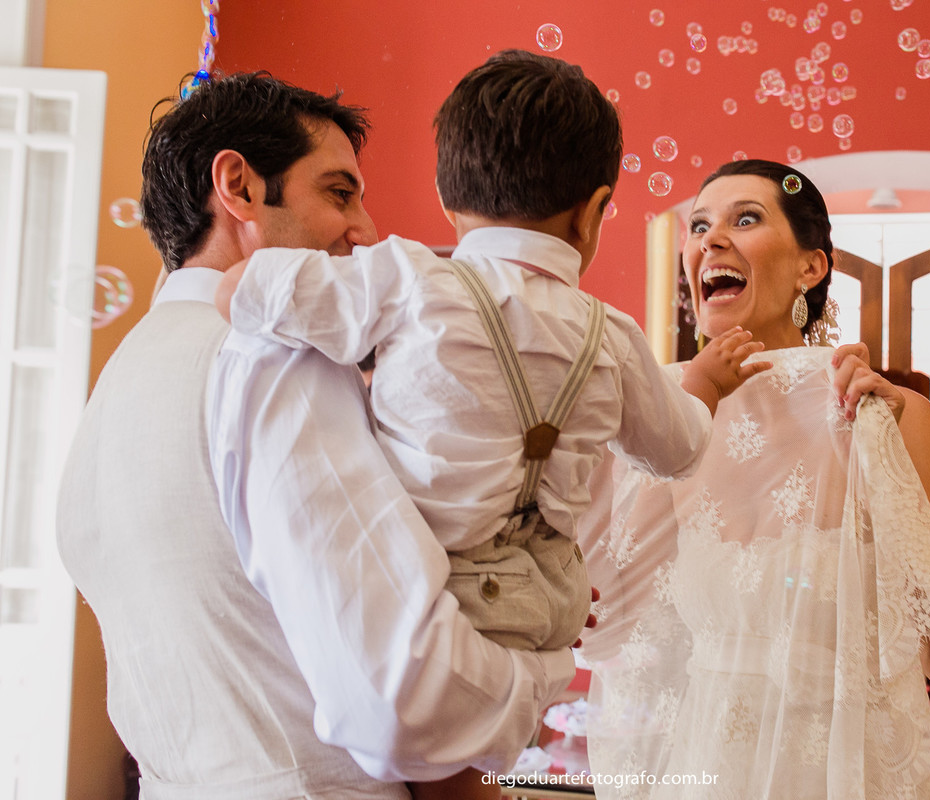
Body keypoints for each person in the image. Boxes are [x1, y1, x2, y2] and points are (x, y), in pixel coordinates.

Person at [215, 50, 769, 800]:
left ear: (448, 197)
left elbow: (245, 291)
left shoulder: (407, 279)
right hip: (549, 608)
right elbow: (679, 449)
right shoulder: (613, 336)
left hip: (436, 587)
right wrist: (702, 380)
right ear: (593, 210)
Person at [55, 71, 580, 800]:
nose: (366, 230)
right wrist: (549, 670)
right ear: (238, 186)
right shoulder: (273, 356)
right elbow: (403, 701)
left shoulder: (111, 391)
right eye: (339, 193)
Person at [577, 159, 930, 799]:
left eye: (745, 219)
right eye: (698, 225)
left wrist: (884, 474)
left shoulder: (886, 419)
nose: (709, 239)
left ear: (812, 267)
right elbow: (593, 624)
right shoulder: (649, 416)